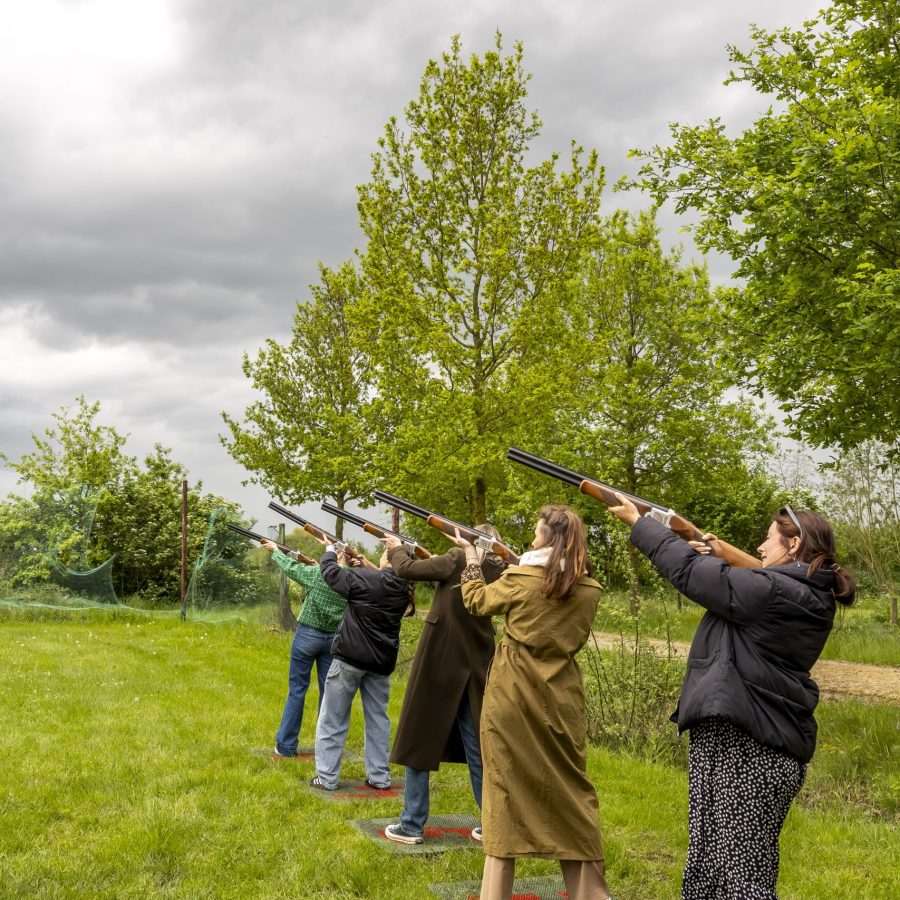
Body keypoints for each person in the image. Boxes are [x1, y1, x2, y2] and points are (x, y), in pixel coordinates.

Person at [606, 496, 855, 900]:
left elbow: (692, 573)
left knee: (741, 884)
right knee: (706, 871)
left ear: (793, 545)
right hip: (735, 742)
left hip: (751, 750)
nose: (759, 547)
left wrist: (641, 524)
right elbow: (713, 570)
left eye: (769, 539)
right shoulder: (794, 590)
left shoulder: (775, 591)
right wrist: (695, 540)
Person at [453, 505, 611, 900]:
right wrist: (518, 561)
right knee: (572, 794)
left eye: (537, 534)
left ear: (547, 540)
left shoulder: (521, 578)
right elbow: (554, 582)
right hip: (562, 699)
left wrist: (471, 556)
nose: (532, 539)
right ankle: (591, 894)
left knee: (503, 792)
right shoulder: (589, 589)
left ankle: (495, 893)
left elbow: (476, 600)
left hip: (511, 695)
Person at [381, 526, 507, 846]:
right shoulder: (500, 568)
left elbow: (406, 569)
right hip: (476, 666)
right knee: (478, 747)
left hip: (440, 662)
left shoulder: (455, 559)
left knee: (418, 739)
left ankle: (411, 824)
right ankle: (492, 824)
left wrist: (397, 547)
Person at [310, 538, 413, 791]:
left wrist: (330, 551)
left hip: (350, 658)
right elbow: (383, 580)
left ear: (389, 558)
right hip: (380, 662)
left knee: (332, 719)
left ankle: (327, 777)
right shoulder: (404, 587)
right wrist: (363, 565)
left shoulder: (367, 579)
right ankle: (379, 777)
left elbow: (331, 573)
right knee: (378, 720)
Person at [259, 539, 352, 758]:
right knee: (328, 696)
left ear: (338, 556)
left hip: (308, 635)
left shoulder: (320, 575)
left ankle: (286, 746)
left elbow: (292, 569)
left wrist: (275, 550)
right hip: (334, 639)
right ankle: (326, 749)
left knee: (297, 690)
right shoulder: (353, 579)